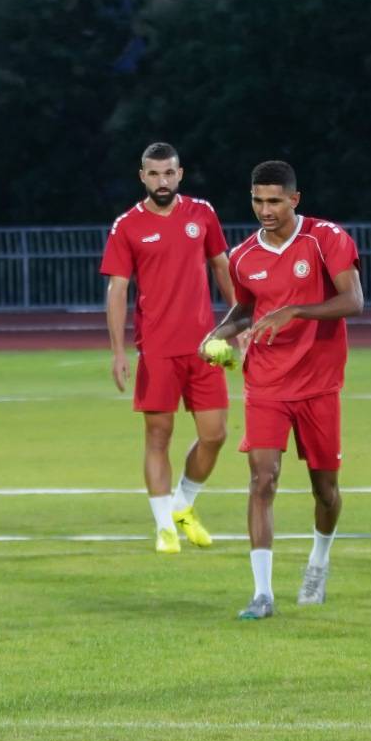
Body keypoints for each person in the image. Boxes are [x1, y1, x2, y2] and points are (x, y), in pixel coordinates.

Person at [205, 160, 363, 620]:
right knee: (262, 479)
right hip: (266, 382)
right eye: (257, 200)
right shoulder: (243, 256)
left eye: (274, 200)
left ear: (295, 199)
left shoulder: (326, 239)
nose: (265, 209)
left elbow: (353, 300)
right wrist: (216, 333)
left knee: (325, 491)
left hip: (318, 384)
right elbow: (245, 310)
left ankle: (318, 561)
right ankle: (262, 593)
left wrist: (294, 311)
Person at [101, 142, 235, 552]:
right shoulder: (127, 226)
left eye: (169, 173)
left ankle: (183, 504)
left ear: (181, 174)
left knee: (215, 435)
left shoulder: (202, 213)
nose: (163, 180)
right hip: (157, 349)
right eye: (154, 174)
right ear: (142, 176)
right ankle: (164, 527)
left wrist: (238, 320)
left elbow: (221, 265)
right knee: (158, 436)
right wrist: (119, 351)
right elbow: (117, 289)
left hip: (204, 346)